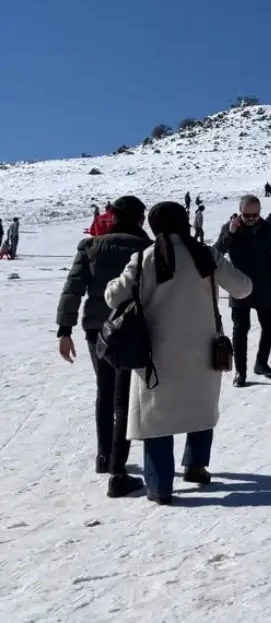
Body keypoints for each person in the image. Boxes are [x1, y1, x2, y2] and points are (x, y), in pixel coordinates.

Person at [104, 201, 252, 504]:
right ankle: (196, 467)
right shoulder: (205, 254)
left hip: (156, 353)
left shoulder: (144, 257)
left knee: (157, 418)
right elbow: (243, 288)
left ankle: (160, 488)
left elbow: (112, 297)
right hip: (203, 350)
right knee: (199, 408)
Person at [55, 196, 152, 497]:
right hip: (133, 328)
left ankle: (102, 455)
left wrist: (64, 329)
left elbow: (72, 288)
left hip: (96, 329)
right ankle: (117, 471)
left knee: (105, 392)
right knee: (124, 397)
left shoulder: (90, 247)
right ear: (140, 219)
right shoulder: (147, 248)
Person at [215, 195, 271, 387]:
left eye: (255, 215)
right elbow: (216, 253)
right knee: (240, 330)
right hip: (239, 286)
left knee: (270, 326)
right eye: (247, 215)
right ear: (240, 212)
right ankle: (241, 372)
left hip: (265, 285)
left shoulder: (267, 228)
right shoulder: (230, 229)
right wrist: (230, 233)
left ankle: (261, 364)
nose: (251, 219)